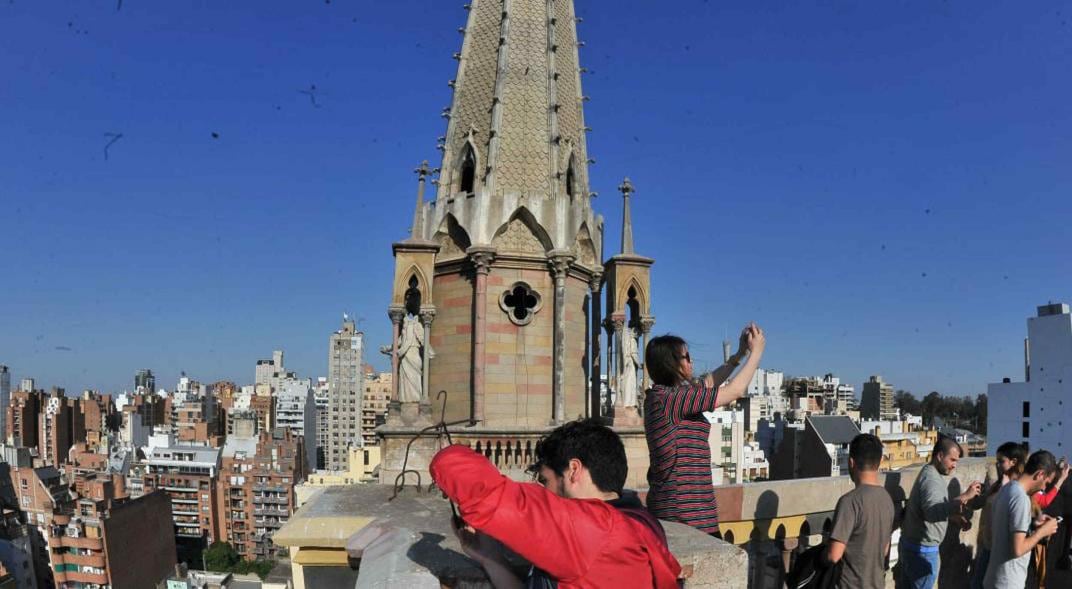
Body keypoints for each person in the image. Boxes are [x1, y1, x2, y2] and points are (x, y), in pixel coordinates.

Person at [431, 418, 682, 589]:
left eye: (545, 480)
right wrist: (490, 559)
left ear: (573, 470)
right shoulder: (637, 517)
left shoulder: (592, 531)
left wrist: (443, 455)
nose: (543, 491)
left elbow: (479, 489)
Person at [643, 323, 766, 536]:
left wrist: (738, 354)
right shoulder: (669, 399)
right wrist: (756, 353)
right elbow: (734, 391)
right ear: (671, 363)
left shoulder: (671, 396)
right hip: (684, 518)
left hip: (692, 514)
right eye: (686, 357)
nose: (691, 361)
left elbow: (709, 382)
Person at [897, 435, 983, 589]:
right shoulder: (932, 480)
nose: (954, 465)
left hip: (914, 548)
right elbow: (931, 512)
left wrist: (954, 517)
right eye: (952, 460)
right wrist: (965, 496)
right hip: (922, 553)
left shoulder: (931, 474)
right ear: (940, 456)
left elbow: (927, 509)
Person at [825, 433, 896, 589]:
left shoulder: (849, 502)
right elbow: (884, 550)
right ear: (879, 463)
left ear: (851, 462)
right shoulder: (887, 499)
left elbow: (834, 555)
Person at [983, 450, 1061, 589]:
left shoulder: (1006, 489)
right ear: (1040, 474)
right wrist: (1042, 532)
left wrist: (1033, 525)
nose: (1044, 487)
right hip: (1007, 582)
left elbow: (1005, 531)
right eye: (1046, 483)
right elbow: (1017, 550)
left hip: (994, 578)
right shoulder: (1021, 499)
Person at [968, 441, 1028, 589]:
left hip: (999, 551)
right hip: (987, 547)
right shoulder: (998, 483)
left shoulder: (1017, 490)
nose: (997, 465)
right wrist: (970, 496)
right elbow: (978, 504)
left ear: (1013, 462)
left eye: (1001, 461)